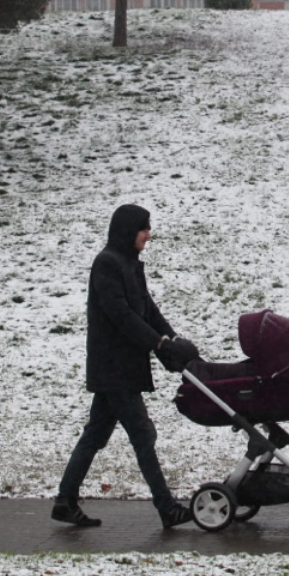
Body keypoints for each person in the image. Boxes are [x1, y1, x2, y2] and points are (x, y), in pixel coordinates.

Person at [53, 204, 200, 529]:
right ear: (127, 231)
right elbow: (121, 316)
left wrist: (173, 339)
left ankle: (65, 500)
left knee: (95, 435)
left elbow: (147, 309)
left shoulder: (129, 264)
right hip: (114, 369)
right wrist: (159, 344)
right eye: (143, 229)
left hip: (122, 368)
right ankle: (167, 508)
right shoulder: (107, 264)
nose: (148, 235)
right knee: (142, 435)